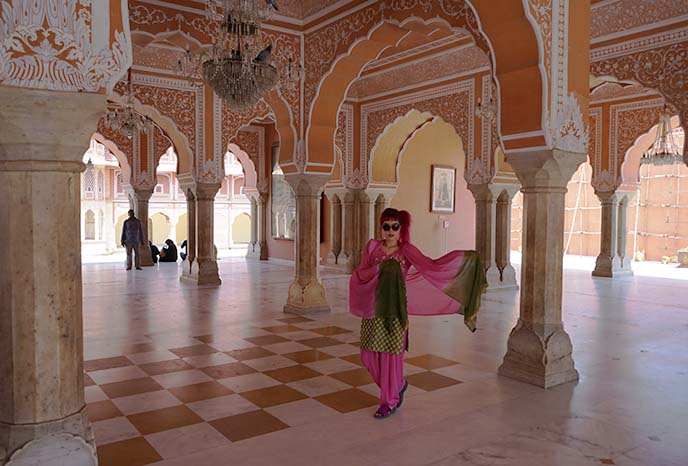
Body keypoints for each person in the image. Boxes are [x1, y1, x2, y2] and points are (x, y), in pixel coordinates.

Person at [349, 208, 487, 419]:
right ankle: (399, 385)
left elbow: (434, 266)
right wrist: (380, 269)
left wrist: (467, 260)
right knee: (367, 355)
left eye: (395, 226)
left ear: (401, 228)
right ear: (381, 227)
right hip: (373, 307)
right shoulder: (372, 248)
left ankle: (389, 400)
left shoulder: (407, 251)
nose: (390, 231)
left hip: (395, 310)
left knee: (390, 357)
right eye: (386, 226)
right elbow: (360, 273)